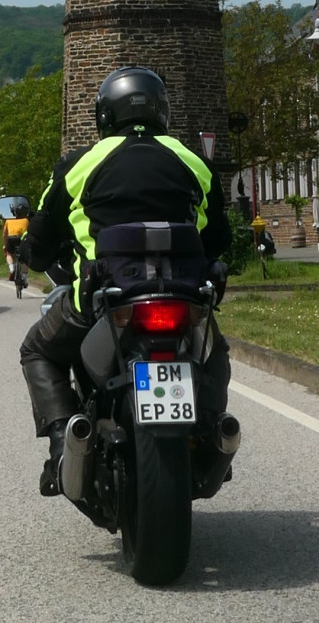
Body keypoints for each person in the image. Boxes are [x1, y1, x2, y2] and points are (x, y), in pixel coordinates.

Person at [19, 66, 232, 496]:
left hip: (105, 299)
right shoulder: (194, 162)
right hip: (183, 296)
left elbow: (39, 243)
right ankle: (212, 429)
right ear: (162, 111)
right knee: (216, 351)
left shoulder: (78, 165)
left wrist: (31, 252)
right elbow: (218, 239)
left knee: (37, 350)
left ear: (104, 115)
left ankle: (62, 440)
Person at [2, 208, 30, 282]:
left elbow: (4, 235)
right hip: (22, 239)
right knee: (25, 257)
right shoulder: (26, 220)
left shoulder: (8, 220)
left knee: (9, 254)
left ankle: (12, 269)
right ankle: (25, 278)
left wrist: (4, 245)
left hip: (11, 239)